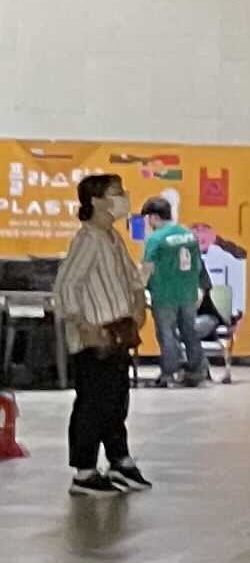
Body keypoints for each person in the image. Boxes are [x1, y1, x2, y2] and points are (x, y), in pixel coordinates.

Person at [52, 172, 154, 495]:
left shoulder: (112, 238)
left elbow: (131, 278)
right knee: (93, 403)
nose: (123, 197)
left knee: (116, 401)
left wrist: (138, 305)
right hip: (95, 339)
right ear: (96, 201)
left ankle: (119, 459)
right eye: (115, 192)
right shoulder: (88, 240)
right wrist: (85, 326)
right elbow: (66, 287)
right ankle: (84, 471)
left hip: (117, 335)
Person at [138, 190, 214, 387]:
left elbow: (147, 267)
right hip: (188, 294)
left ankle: (170, 373)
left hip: (164, 295)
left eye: (148, 219)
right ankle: (197, 372)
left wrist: (139, 288)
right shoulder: (188, 235)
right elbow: (198, 265)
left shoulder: (155, 239)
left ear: (154, 217)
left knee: (167, 334)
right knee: (190, 333)